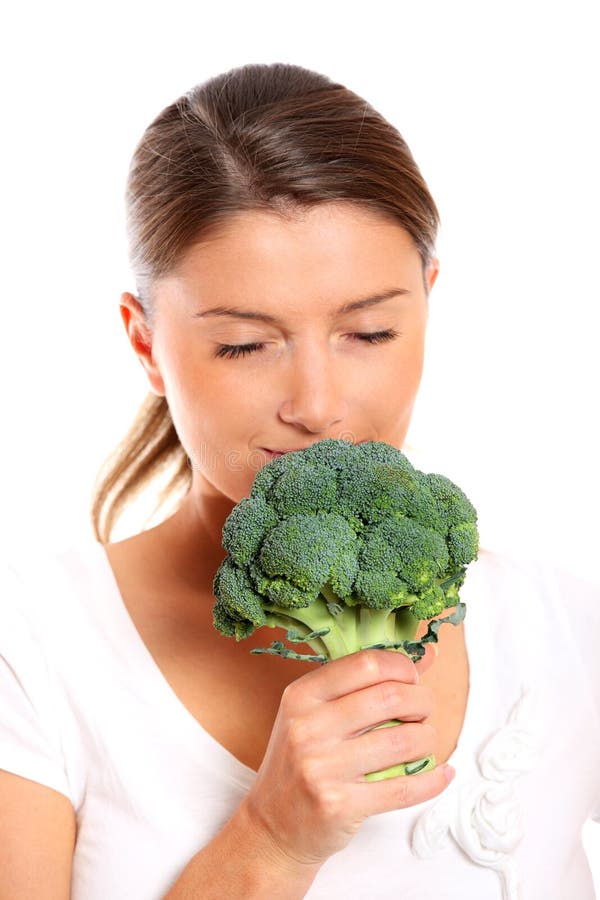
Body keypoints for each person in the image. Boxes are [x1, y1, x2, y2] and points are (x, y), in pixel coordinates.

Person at [1, 62, 598, 900]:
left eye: (369, 331)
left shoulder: (568, 626)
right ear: (145, 344)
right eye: (245, 344)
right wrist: (271, 841)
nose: (317, 406)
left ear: (428, 301)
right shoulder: (29, 649)